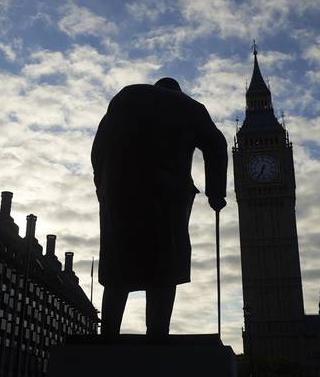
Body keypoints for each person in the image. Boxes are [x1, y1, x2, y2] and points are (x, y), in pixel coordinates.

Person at [91, 77, 227, 338]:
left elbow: (98, 149)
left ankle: (108, 334)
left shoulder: (125, 97)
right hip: (168, 197)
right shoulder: (190, 107)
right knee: (164, 264)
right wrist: (215, 194)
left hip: (121, 193)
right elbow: (217, 146)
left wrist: (103, 187)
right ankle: (157, 334)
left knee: (119, 263)